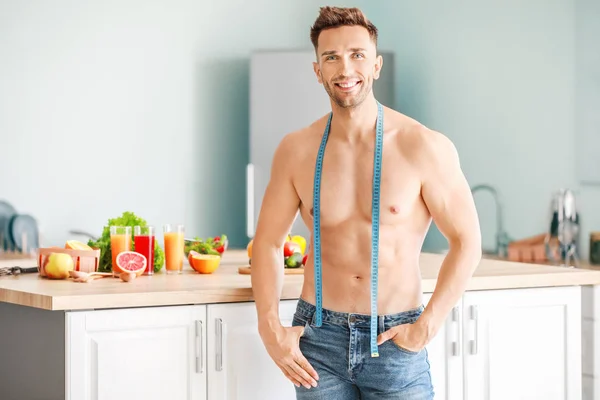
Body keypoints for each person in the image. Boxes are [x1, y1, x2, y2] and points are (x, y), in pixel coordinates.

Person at [250, 5, 482, 399]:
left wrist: (426, 325)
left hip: (395, 340)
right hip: (317, 342)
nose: (345, 69)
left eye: (357, 55)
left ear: (376, 66)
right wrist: (269, 328)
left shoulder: (422, 146)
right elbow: (269, 244)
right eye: (331, 57)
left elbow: (467, 241)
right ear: (317, 70)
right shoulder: (296, 150)